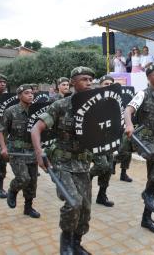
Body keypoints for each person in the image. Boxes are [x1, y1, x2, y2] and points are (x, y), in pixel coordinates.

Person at [31, 66, 95, 254]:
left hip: (83, 164)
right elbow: (36, 129)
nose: (89, 83)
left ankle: (76, 243)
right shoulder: (61, 105)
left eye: (91, 79)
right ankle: (65, 240)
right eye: (84, 79)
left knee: (85, 209)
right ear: (73, 83)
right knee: (73, 202)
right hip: (61, 163)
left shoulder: (96, 107)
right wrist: (38, 153)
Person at [124, 65, 154, 233]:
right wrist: (129, 125)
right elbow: (128, 110)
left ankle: (147, 218)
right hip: (144, 139)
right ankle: (148, 194)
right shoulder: (142, 94)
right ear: (149, 77)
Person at [0, 84, 40, 218]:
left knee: (32, 182)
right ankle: (13, 190)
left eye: (32, 93)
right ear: (19, 96)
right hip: (16, 151)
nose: (30, 95)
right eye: (27, 93)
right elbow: (0, 130)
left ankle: (28, 207)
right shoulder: (11, 111)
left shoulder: (37, 111)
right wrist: (3, 148)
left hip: (32, 151)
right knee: (23, 178)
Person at [89, 75, 115, 207]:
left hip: (109, 141)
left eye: (111, 83)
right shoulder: (93, 101)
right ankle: (86, 177)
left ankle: (101, 195)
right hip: (95, 141)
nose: (109, 85)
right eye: (106, 83)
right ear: (100, 85)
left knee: (109, 168)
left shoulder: (115, 102)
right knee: (102, 165)